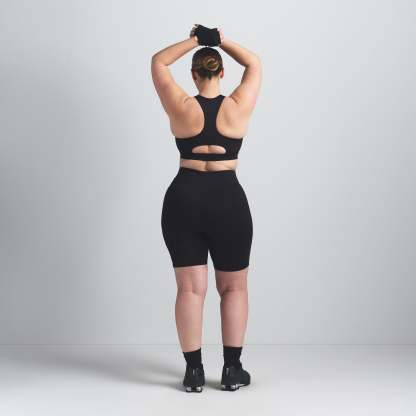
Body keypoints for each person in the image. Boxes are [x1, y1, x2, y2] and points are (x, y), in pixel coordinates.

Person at [151, 24, 262, 392]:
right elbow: (255, 64)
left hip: (184, 197)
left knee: (190, 290)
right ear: (222, 72)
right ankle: (232, 371)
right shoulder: (237, 106)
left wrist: (195, 40)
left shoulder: (181, 105)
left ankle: (194, 373)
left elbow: (158, 62)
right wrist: (220, 40)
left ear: (194, 74)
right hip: (228, 200)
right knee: (233, 288)